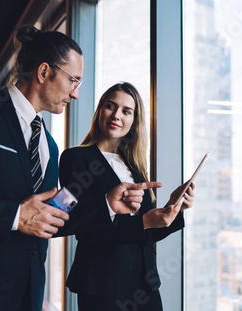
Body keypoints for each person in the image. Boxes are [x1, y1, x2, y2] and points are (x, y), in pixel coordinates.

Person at [0, 26, 160, 311]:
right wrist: (15, 215)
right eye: (73, 81)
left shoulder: (49, 145)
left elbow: (54, 214)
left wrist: (107, 203)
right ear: (44, 72)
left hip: (25, 294)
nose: (76, 94)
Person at [58, 82, 195, 311]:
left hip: (145, 286)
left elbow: (144, 235)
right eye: (111, 106)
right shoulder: (75, 158)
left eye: (126, 111)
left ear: (134, 120)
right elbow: (81, 226)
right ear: (100, 109)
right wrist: (143, 222)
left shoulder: (134, 167)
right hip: (103, 285)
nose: (117, 115)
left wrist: (173, 207)